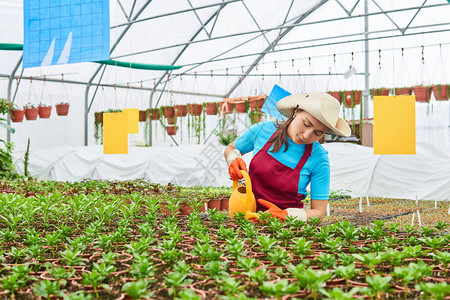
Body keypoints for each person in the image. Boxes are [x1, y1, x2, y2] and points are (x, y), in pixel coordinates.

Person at [224, 91, 351, 222]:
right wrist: (233, 160)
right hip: (247, 218)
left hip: (286, 230)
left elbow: (319, 212)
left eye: (318, 133)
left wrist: (286, 216)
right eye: (307, 124)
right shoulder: (262, 131)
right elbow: (231, 148)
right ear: (297, 111)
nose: (307, 135)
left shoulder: (319, 158)